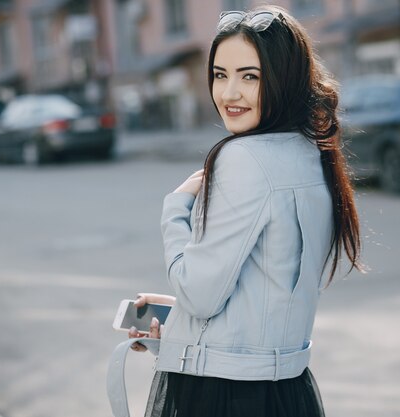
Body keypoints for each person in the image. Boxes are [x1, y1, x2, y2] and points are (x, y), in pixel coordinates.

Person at [127, 5, 363, 417]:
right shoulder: (310, 153)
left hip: (225, 396)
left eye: (249, 76)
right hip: (287, 392)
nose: (229, 93)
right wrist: (175, 318)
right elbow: (267, 292)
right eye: (220, 75)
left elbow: (199, 295)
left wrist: (176, 207)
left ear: (282, 78)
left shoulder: (243, 158)